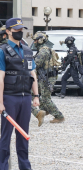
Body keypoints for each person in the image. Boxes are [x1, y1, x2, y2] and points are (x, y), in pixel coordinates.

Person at [0, 18, 39, 170]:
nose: (19, 32)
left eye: (21, 29)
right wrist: (1, 102)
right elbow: (0, 77)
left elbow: (32, 74)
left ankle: (25, 167)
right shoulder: (2, 51)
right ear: (8, 31)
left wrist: (36, 96)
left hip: (25, 97)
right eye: (16, 30)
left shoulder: (27, 50)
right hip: (9, 97)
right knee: (6, 136)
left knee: (23, 135)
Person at [32, 31, 65, 123]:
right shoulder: (43, 49)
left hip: (46, 77)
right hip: (44, 76)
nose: (34, 42)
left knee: (46, 98)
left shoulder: (44, 51)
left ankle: (59, 116)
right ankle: (44, 109)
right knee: (32, 93)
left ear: (41, 40)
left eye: (36, 40)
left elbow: (36, 64)